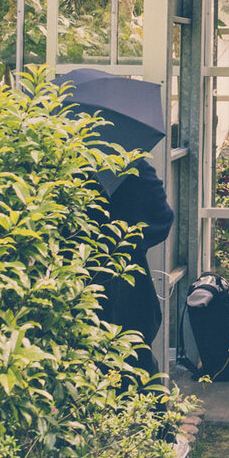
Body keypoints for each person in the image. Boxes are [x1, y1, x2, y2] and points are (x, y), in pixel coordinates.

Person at [91, 156, 174, 382]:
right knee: (135, 358)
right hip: (129, 280)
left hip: (79, 281)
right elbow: (163, 218)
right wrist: (133, 244)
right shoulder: (131, 164)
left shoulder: (60, 166)